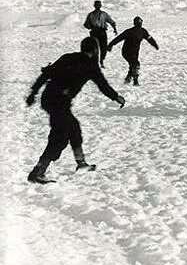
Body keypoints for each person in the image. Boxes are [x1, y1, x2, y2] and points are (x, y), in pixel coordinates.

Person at [24, 37, 126, 184]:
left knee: (73, 128)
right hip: (59, 102)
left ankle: (81, 163)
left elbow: (46, 73)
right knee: (60, 137)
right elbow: (102, 85)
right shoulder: (91, 66)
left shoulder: (68, 57)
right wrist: (116, 97)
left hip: (49, 98)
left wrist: (33, 93)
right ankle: (38, 171)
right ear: (95, 50)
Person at [107, 16, 160, 86]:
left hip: (135, 52)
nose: (139, 25)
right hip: (126, 52)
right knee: (135, 64)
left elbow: (149, 39)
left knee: (133, 65)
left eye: (140, 23)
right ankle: (135, 81)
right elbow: (118, 38)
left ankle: (128, 78)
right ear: (134, 23)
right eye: (137, 23)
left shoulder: (143, 31)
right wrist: (110, 45)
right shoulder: (129, 32)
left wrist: (155, 45)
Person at [83, 0, 117, 67]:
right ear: (94, 6)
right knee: (94, 48)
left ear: (101, 6)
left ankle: (102, 60)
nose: (98, 6)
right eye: (96, 5)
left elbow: (111, 22)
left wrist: (115, 29)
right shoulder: (90, 15)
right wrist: (90, 26)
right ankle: (95, 62)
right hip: (94, 33)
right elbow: (86, 24)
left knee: (104, 48)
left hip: (102, 32)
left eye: (99, 5)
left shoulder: (104, 14)